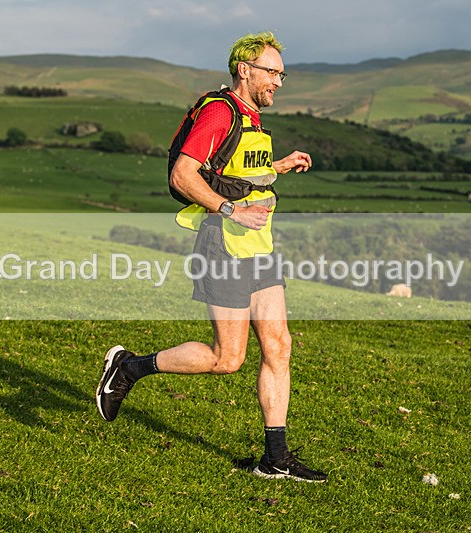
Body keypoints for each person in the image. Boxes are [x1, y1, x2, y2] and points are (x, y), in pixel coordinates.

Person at [96, 32, 327, 483]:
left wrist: (277, 167)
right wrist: (230, 210)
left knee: (279, 346)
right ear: (245, 70)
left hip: (259, 247)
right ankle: (129, 367)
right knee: (227, 358)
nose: (279, 82)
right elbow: (184, 175)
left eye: (282, 74)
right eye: (272, 73)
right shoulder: (219, 111)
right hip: (222, 245)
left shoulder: (251, 117)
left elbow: (233, 173)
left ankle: (275, 458)